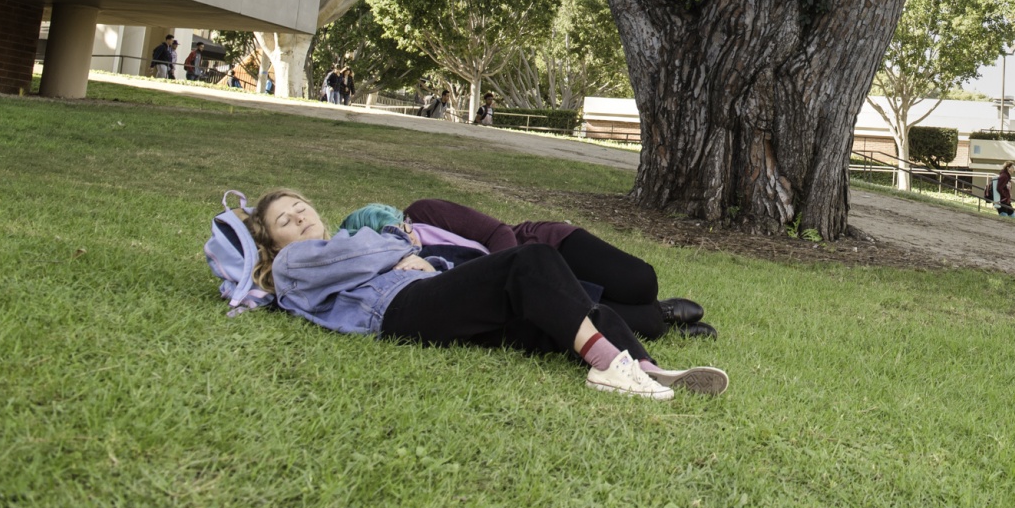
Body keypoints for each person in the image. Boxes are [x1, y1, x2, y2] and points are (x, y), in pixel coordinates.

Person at [242, 191, 727, 401]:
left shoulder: (341, 244)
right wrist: (397, 251)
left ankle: (644, 367)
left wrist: (415, 256)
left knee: (558, 308)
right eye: (286, 220)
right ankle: (610, 366)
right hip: (398, 307)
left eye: (301, 208)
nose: (301, 218)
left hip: (424, 291)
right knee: (530, 262)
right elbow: (374, 254)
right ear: (273, 242)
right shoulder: (295, 263)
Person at [340, 198, 714, 341]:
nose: (405, 237)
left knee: (640, 281)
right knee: (647, 323)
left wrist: (501, 274)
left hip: (541, 246)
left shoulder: (424, 212)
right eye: (392, 239)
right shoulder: (407, 267)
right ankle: (663, 315)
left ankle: (654, 304)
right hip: (532, 285)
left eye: (400, 228)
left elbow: (498, 232)